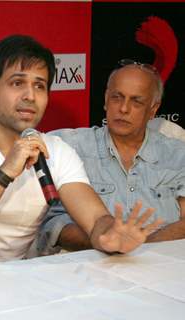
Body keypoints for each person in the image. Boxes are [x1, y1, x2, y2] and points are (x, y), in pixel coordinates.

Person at [0, 35, 162, 272]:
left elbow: (96, 219)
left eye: (39, 86)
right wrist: (4, 173)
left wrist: (110, 235)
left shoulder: (57, 151)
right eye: (17, 83)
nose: (30, 96)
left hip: (16, 285)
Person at [39, 60, 185, 254]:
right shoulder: (71, 147)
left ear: (153, 109)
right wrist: (107, 242)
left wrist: (140, 250)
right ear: (106, 99)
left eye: (136, 101)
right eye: (117, 97)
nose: (123, 108)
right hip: (88, 269)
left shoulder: (178, 155)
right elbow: (55, 224)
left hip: (162, 269)